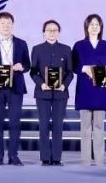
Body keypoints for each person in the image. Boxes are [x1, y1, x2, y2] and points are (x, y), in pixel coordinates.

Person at [0, 12, 31, 166]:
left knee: (15, 122)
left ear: (13, 25)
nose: (5, 26)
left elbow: (28, 65)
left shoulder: (22, 43)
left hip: (16, 87)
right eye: (2, 23)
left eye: (8, 23)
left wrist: (21, 67)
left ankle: (13, 155)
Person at [30, 20, 74, 165]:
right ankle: (44, 157)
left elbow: (70, 72)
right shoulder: (37, 49)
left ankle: (56, 158)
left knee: (58, 126)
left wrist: (64, 85)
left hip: (60, 94)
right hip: (42, 93)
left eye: (55, 30)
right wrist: (41, 84)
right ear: (44, 33)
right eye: (49, 30)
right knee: (43, 125)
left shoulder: (66, 49)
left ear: (59, 33)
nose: (52, 32)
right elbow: (33, 72)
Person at [72, 14, 106, 166]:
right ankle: (85, 161)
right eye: (91, 24)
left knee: (99, 126)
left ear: (101, 27)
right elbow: (73, 65)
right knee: (85, 127)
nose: (94, 27)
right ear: (86, 27)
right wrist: (84, 68)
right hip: (85, 90)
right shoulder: (79, 45)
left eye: (97, 24)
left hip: (101, 90)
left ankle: (100, 160)